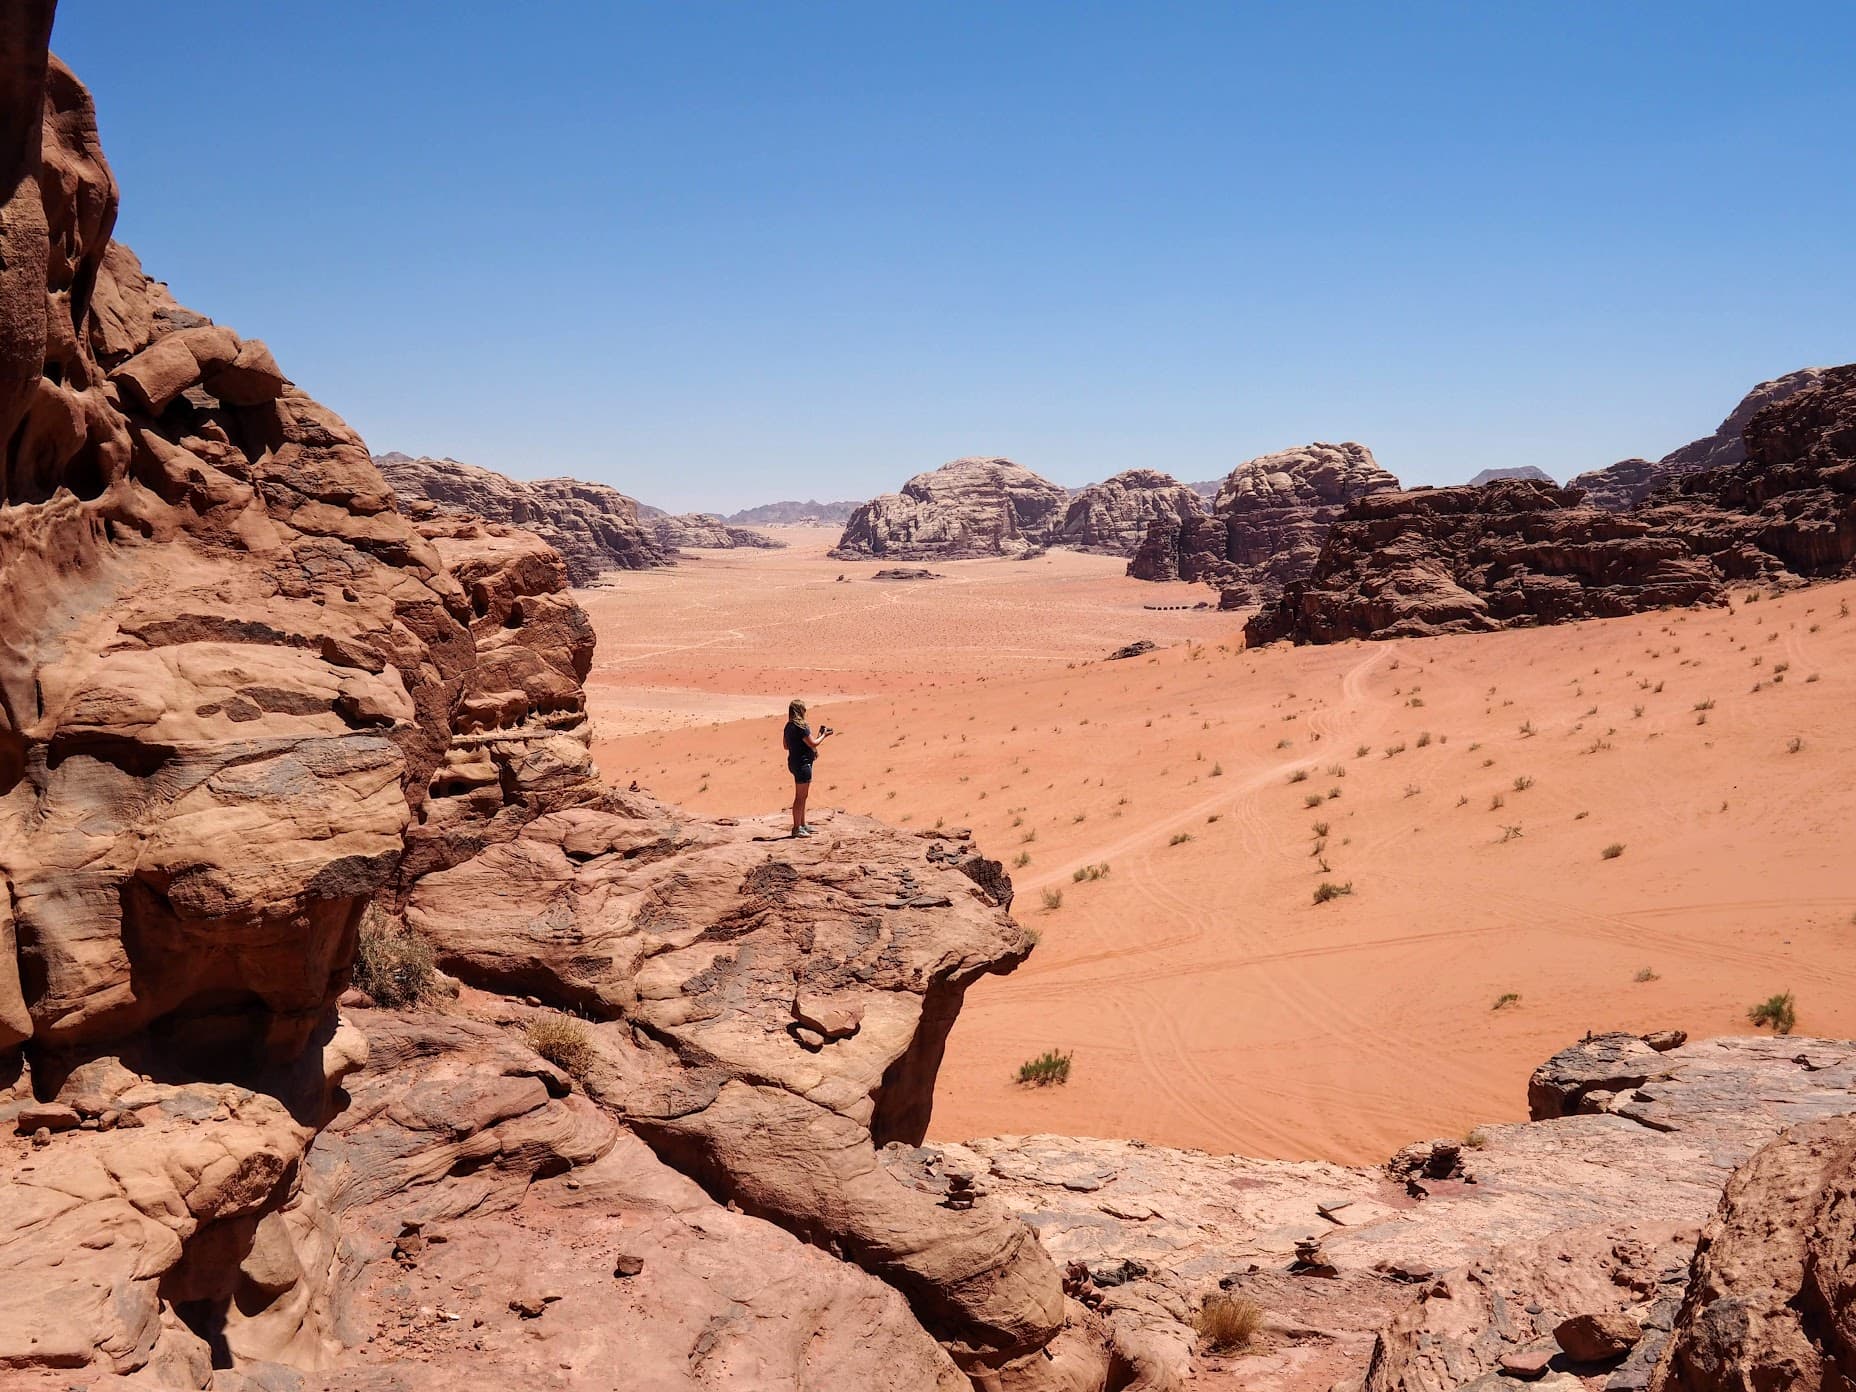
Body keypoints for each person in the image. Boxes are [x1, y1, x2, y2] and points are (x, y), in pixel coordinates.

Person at [783, 698, 834, 836]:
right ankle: (796, 828)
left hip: (794, 762)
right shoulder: (802, 726)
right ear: (800, 710)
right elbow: (813, 743)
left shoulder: (788, 726)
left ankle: (802, 824)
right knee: (800, 797)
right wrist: (824, 735)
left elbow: (785, 746)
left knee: (803, 796)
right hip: (803, 764)